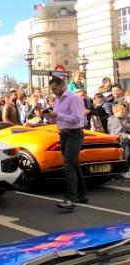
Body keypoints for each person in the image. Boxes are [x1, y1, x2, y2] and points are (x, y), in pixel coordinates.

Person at [44, 77, 88, 210]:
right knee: (74, 164)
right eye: (52, 90)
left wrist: (57, 116)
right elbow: (60, 119)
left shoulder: (73, 98)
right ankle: (82, 194)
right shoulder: (57, 99)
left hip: (74, 134)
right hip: (63, 133)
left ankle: (70, 199)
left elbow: (77, 119)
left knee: (68, 164)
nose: (53, 92)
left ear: (63, 85)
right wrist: (50, 118)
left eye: (55, 89)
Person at [107, 104, 130, 178]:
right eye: (122, 112)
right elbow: (117, 133)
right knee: (126, 155)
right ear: (115, 112)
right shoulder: (116, 120)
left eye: (124, 112)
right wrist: (128, 135)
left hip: (122, 140)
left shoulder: (120, 119)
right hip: (121, 141)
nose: (124, 113)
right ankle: (125, 171)